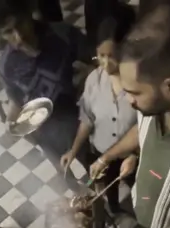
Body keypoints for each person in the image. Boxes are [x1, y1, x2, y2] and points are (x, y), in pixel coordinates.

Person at [89, 1, 170, 228]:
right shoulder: (155, 104)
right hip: (147, 215)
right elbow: (142, 130)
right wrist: (108, 157)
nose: (128, 99)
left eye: (134, 93)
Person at [0, 0, 91, 190]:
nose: (19, 37)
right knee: (65, 175)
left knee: (95, 168)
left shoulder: (63, 35)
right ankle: (83, 203)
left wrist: (90, 70)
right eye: (8, 32)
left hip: (83, 124)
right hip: (46, 132)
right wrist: (10, 123)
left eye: (20, 24)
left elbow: (97, 60)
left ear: (29, 13)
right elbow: (16, 99)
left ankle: (110, 204)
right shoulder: (6, 64)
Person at [61, 5, 137, 214]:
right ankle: (113, 207)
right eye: (100, 55)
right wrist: (73, 149)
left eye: (111, 55)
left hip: (132, 155)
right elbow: (88, 118)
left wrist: (135, 157)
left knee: (136, 187)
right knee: (106, 188)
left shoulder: (140, 87)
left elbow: (148, 128)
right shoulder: (94, 81)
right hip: (101, 152)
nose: (105, 63)